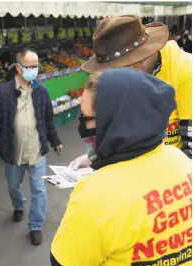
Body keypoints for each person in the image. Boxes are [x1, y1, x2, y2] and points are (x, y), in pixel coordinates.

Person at [51, 68, 192, 266]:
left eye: (87, 118)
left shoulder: (96, 194)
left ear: (114, 120)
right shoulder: (181, 161)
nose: (82, 126)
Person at [70, 15, 192, 170]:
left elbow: (190, 152)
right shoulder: (126, 81)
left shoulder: (186, 71)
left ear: (139, 62)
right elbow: (121, 134)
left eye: (116, 69)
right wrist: (95, 156)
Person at [0, 47, 62, 246]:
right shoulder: (3, 93)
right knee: (13, 186)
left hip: (37, 150)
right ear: (18, 68)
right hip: (13, 151)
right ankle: (19, 204)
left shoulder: (41, 91)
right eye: (29, 67)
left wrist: (55, 141)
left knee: (39, 190)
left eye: (36, 66)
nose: (34, 70)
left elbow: (48, 120)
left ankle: (35, 226)